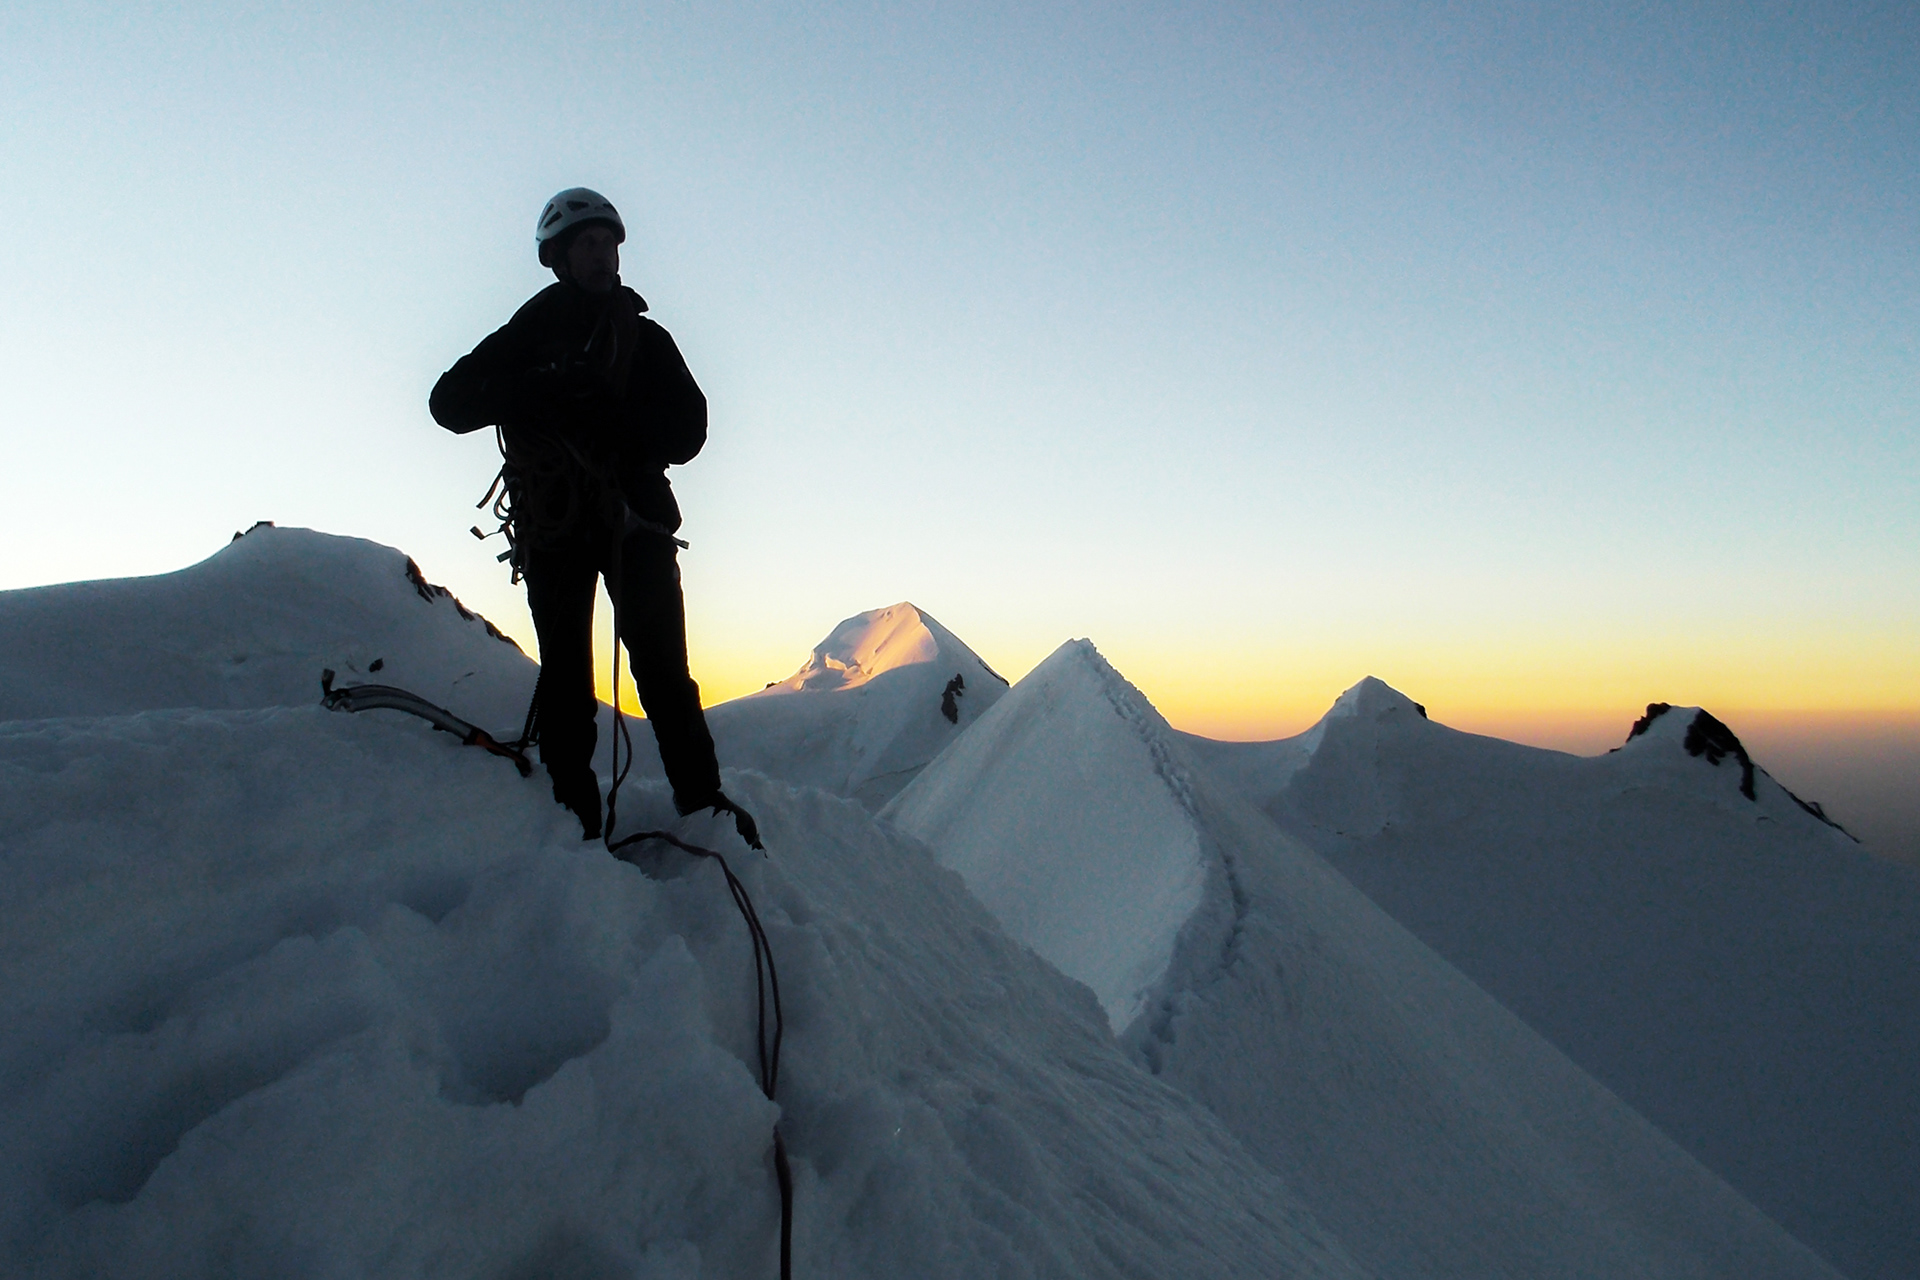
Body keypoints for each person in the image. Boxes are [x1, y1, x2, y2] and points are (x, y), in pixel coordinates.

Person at [429, 187, 756, 845]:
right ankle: (573, 813)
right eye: (587, 243)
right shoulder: (528, 334)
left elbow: (689, 431)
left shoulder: (645, 338)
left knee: (662, 670)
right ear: (560, 257)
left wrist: (619, 427)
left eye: (607, 242)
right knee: (569, 677)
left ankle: (699, 798)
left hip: (628, 521)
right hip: (560, 528)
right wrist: (537, 388)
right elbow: (448, 402)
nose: (601, 254)